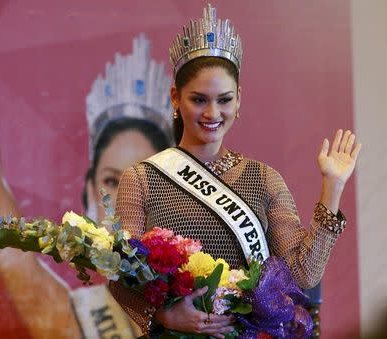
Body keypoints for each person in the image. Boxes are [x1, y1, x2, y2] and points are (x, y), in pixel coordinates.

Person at [110, 4, 361, 338]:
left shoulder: (264, 179)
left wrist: (333, 186)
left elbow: (302, 274)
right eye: (199, 99)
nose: (213, 112)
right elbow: (120, 274)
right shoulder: (141, 178)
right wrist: (165, 316)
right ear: (175, 98)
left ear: (239, 100)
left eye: (224, 99)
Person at [0, 0, 172, 337]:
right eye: (111, 181)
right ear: (90, 192)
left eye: (143, 184)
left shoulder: (213, 306)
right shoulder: (75, 319)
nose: (125, 201)